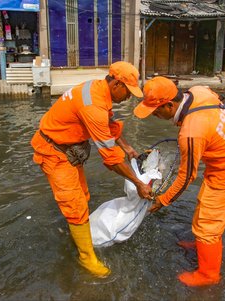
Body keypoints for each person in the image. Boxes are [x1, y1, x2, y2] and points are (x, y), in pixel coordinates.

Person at [31, 61, 152, 278]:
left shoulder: (98, 89)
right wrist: (139, 183)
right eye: (128, 92)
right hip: (53, 152)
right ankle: (86, 258)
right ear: (116, 83)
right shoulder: (93, 105)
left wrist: (128, 148)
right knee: (74, 204)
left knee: (82, 197)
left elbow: (110, 125)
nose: (128, 97)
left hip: (68, 150)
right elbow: (111, 159)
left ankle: (74, 231)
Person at [134, 76, 225, 287]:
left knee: (208, 226)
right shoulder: (198, 91)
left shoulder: (190, 134)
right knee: (204, 206)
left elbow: (187, 177)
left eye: (156, 110)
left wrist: (162, 200)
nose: (154, 115)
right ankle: (201, 246)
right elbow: (220, 99)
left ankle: (208, 275)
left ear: (170, 105)